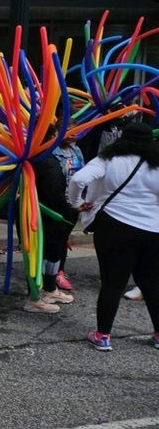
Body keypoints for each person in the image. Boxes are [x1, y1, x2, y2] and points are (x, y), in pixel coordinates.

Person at [67, 122, 159, 352]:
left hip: (115, 225)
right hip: (153, 229)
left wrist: (77, 203)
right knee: (151, 282)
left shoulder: (108, 159)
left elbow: (78, 179)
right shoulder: (156, 164)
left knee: (112, 282)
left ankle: (103, 335)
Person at [30, 128, 80, 313]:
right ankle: (33, 298)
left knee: (53, 252)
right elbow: (54, 192)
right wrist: (71, 209)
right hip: (47, 214)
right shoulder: (46, 161)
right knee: (40, 253)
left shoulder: (49, 157)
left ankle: (49, 289)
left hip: (53, 213)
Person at [51, 133, 85, 292]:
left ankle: (58, 270)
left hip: (74, 203)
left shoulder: (76, 150)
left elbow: (82, 175)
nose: (74, 134)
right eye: (69, 130)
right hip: (57, 203)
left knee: (63, 238)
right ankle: (56, 273)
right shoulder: (51, 152)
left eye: (76, 129)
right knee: (57, 239)